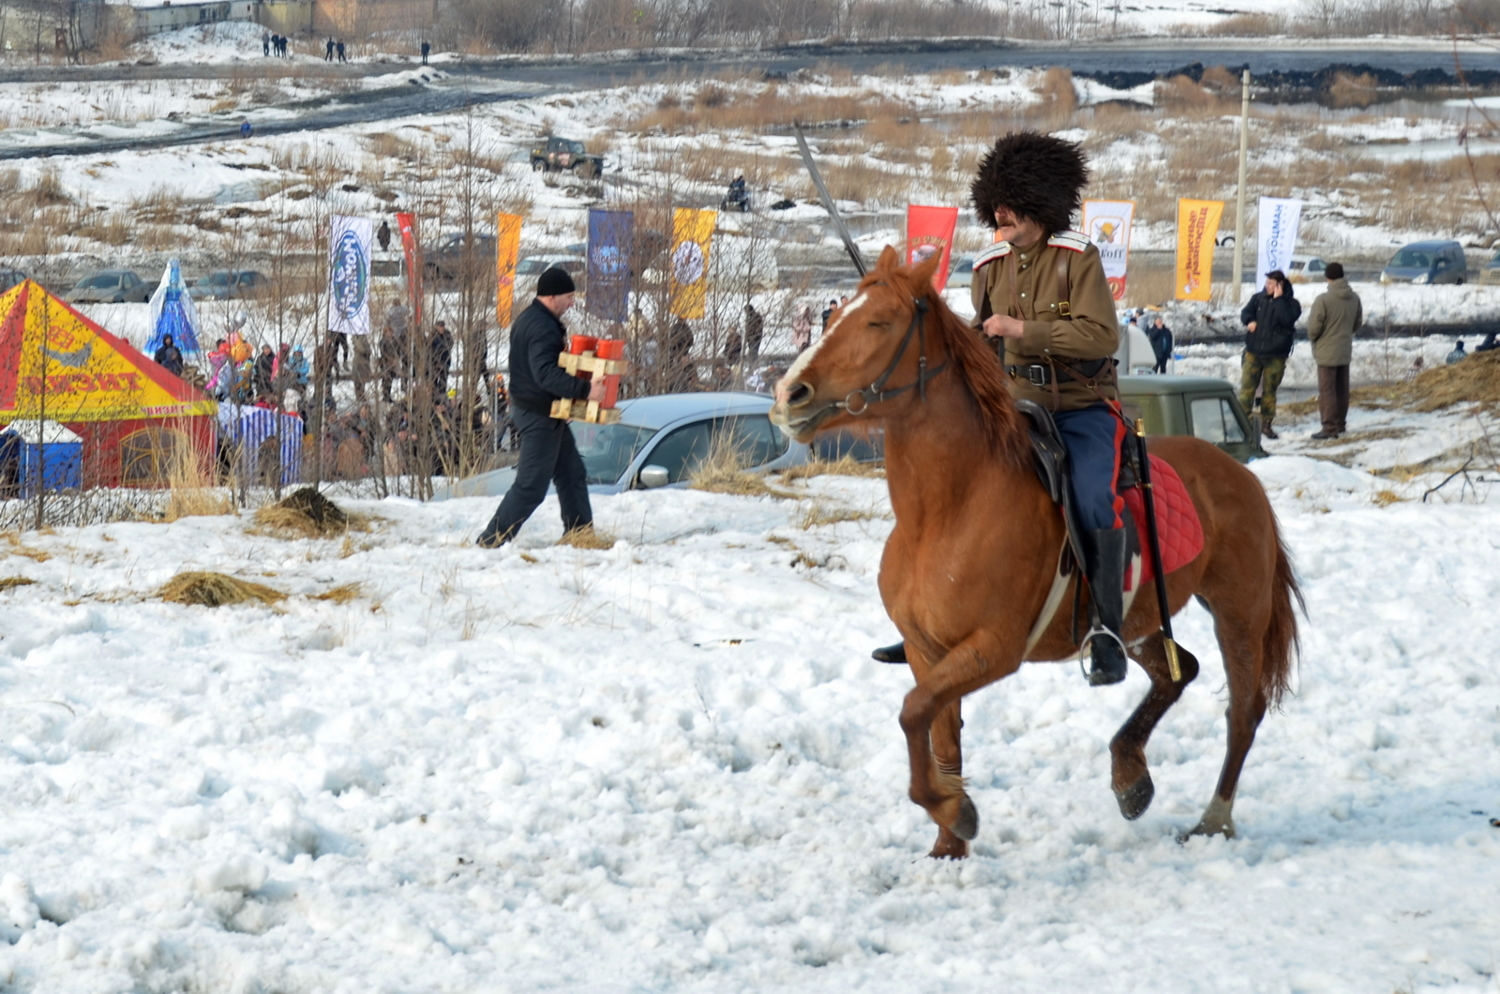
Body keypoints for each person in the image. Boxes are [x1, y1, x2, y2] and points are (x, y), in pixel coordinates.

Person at [873, 131, 1128, 688]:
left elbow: (1102, 335)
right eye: (995, 207)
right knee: (949, 486)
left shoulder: (1076, 259)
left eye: (1010, 206)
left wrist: (1023, 330)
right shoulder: (989, 265)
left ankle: (1107, 630)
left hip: (1080, 409)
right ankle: (928, 622)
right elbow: (982, 341)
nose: (1000, 216)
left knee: (1092, 497)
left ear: (1040, 205)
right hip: (1013, 407)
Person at [476, 268, 608, 548]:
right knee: (531, 488)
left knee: (572, 474)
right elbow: (545, 375)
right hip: (539, 415)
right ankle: (490, 542)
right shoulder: (542, 327)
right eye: (569, 296)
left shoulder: (532, 318)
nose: (572, 303)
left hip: (543, 411)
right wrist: (586, 390)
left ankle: (580, 535)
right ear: (552, 296)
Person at [1238, 269, 1301, 439]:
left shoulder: (1291, 304)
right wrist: (1249, 321)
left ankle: (1266, 424)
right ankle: (1243, 422)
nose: (1267, 287)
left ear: (1280, 285)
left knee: (1269, 391)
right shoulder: (1258, 298)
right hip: (1254, 351)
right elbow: (1246, 312)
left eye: (1271, 284)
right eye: (1266, 283)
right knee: (1247, 388)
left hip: (1276, 355)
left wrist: (1278, 299)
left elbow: (1287, 320)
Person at [1305, 261, 1362, 440]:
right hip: (1344, 349)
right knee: (1342, 389)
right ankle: (1340, 424)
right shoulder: (1354, 298)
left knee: (1327, 390)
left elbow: (1313, 328)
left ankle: (1329, 427)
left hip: (1326, 351)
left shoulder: (1324, 300)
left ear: (1327, 277)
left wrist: (1316, 339)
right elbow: (1357, 323)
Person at [429, 319, 454, 394]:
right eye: (440, 326)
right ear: (436, 327)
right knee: (434, 381)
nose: (442, 328)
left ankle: (442, 395)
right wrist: (435, 361)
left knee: (444, 381)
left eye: (443, 326)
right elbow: (430, 349)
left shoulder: (447, 334)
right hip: (435, 362)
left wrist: (445, 348)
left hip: (445, 360)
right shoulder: (433, 335)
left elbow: (451, 343)